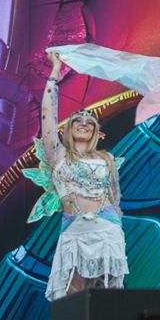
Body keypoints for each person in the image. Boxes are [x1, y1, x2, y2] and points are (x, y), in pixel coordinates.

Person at [39, 54, 128, 300]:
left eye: (90, 122)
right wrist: (55, 71)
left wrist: (117, 230)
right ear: (68, 129)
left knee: (106, 300)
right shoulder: (58, 155)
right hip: (74, 229)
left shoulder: (106, 159)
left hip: (106, 230)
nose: (84, 123)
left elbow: (115, 199)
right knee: (71, 298)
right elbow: (47, 114)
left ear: (96, 132)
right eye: (77, 120)